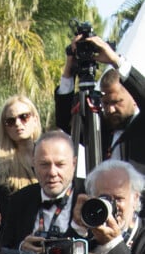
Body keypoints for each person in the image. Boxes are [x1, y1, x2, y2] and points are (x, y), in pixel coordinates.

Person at [55, 36, 145, 175]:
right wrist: (69, 70)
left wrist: (116, 61)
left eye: (116, 102)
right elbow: (65, 120)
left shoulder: (141, 126)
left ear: (133, 97)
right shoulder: (99, 129)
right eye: (106, 103)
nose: (110, 109)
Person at [72, 159, 145, 254]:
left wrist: (113, 245)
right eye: (104, 199)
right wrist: (77, 230)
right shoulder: (85, 233)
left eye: (118, 199)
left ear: (135, 199)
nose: (111, 206)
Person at [0, 95, 41, 218]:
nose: (18, 123)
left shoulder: (49, 155)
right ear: (5, 128)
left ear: (35, 119)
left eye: (24, 117)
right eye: (10, 121)